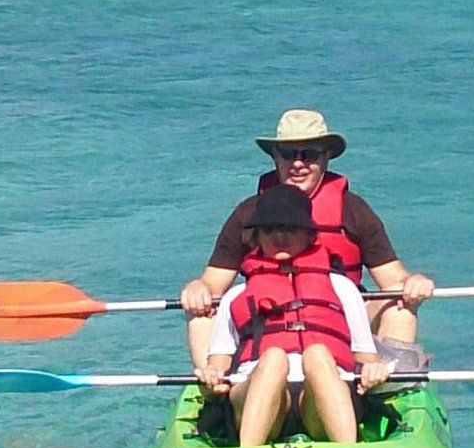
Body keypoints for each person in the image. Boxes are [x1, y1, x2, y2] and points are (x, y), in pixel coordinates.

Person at [179, 109, 434, 380]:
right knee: (201, 312)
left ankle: (389, 388)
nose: (298, 164)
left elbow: (393, 279)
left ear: (326, 157)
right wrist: (198, 289)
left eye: (309, 154)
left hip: (342, 317)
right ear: (275, 156)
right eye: (288, 154)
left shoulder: (353, 210)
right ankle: (212, 385)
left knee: (399, 303)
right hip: (268, 320)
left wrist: (414, 283)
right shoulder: (249, 214)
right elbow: (213, 283)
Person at [200, 181, 380, 447]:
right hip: (257, 392)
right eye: (269, 229)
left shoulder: (341, 288)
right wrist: (210, 378)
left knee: (318, 354)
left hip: (322, 397)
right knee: (274, 358)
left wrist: (374, 369)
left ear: (309, 235)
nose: (279, 236)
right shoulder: (237, 296)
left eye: (290, 228)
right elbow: (218, 364)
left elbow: (367, 358)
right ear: (257, 237)